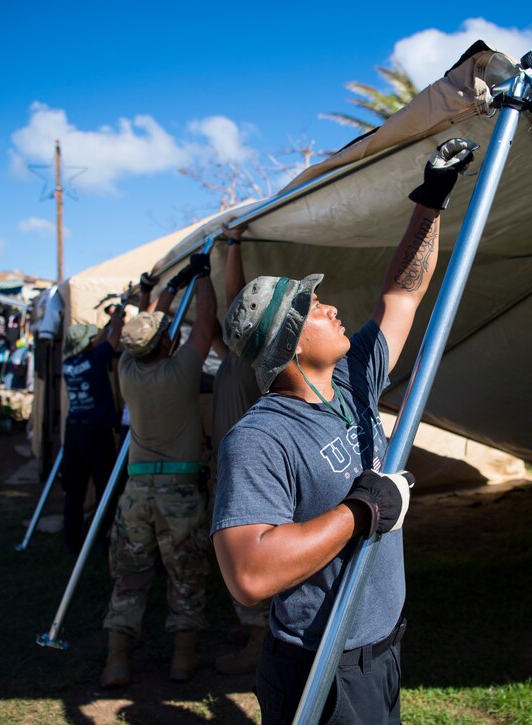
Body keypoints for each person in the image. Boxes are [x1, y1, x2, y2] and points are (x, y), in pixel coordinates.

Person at [212, 138, 479, 723]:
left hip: (380, 647)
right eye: (312, 306)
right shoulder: (260, 438)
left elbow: (402, 294)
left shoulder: (354, 378)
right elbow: (249, 575)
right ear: (286, 343)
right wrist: (363, 511)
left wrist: (430, 200)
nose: (332, 309)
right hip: (320, 664)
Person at [100, 252, 216, 687]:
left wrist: (167, 289)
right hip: (179, 493)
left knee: (129, 576)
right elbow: (206, 322)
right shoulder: (183, 370)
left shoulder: (128, 369)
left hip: (135, 492)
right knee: (186, 576)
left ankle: (117, 662)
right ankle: (182, 662)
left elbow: (144, 325)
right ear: (166, 345)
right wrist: (202, 277)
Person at [208, 223, 270, 675]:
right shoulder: (234, 359)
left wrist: (234, 245)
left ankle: (261, 641)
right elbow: (212, 325)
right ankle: (255, 634)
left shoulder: (252, 359)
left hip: (245, 478)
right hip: (230, 472)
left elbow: (233, 299)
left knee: (248, 556)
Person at [60, 311, 123, 555]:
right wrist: (116, 317)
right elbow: (114, 337)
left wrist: (104, 327)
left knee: (73, 492)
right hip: (97, 434)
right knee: (104, 487)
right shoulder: (96, 359)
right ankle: (101, 539)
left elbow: (96, 343)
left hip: (74, 431)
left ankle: (72, 542)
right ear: (88, 344)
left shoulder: (68, 365)